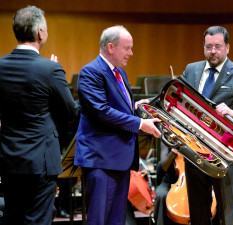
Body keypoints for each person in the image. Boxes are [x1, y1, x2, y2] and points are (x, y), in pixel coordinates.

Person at [74, 25, 161, 225]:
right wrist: (140, 123)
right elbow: (101, 112)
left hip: (119, 160)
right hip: (101, 161)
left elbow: (118, 108)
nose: (131, 53)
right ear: (111, 47)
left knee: (116, 221)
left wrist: (136, 106)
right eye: (127, 48)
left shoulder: (119, 73)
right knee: (99, 220)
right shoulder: (91, 72)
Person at [0, 5, 79, 225]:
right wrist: (53, 78)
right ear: (40, 33)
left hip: (9, 160)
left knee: (12, 218)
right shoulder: (50, 70)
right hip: (41, 164)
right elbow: (70, 112)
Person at [181, 26, 233, 225]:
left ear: (227, 47)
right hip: (194, 150)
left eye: (218, 46)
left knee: (228, 216)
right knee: (198, 214)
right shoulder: (191, 70)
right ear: (204, 48)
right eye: (209, 47)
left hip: (224, 154)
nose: (213, 51)